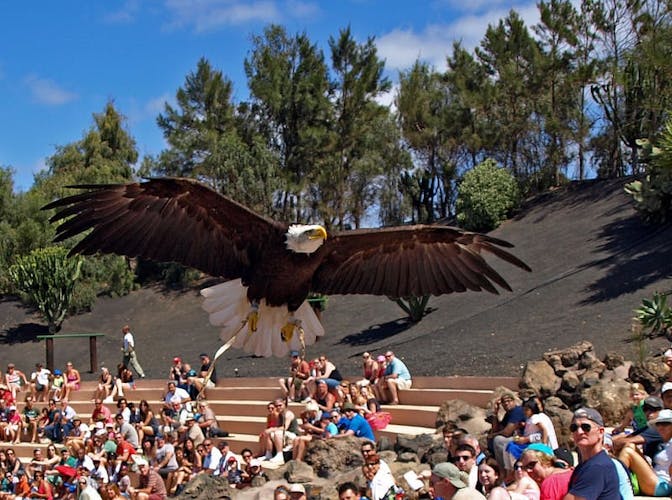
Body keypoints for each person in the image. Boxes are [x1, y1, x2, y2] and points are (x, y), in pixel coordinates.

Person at [564, 407, 620, 500]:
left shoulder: (597, 467)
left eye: (586, 427)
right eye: (574, 428)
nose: (579, 432)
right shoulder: (587, 465)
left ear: (601, 432)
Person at [617, 407, 672, 496]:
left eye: (665, 424)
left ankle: (613, 483)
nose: (661, 427)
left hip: (662, 485)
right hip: (653, 477)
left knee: (628, 452)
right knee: (630, 446)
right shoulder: (663, 443)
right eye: (658, 424)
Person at [488, 392, 526, 472]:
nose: (506, 404)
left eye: (508, 401)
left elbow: (507, 432)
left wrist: (493, 435)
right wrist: (495, 412)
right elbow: (496, 429)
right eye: (504, 402)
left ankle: (504, 471)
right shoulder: (508, 414)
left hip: (522, 438)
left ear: (514, 401)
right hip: (514, 437)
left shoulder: (517, 411)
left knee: (497, 440)